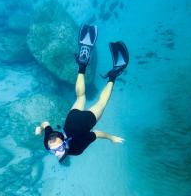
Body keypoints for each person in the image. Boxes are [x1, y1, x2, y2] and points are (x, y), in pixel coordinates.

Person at [35, 24, 129, 161]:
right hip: (71, 118)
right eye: (55, 151)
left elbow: (96, 134)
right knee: (80, 96)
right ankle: (82, 64)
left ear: (64, 142)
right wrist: (40, 129)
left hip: (86, 121)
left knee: (102, 102)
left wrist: (111, 138)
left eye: (55, 150)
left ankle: (114, 74)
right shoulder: (49, 141)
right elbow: (46, 123)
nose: (55, 153)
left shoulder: (77, 149)